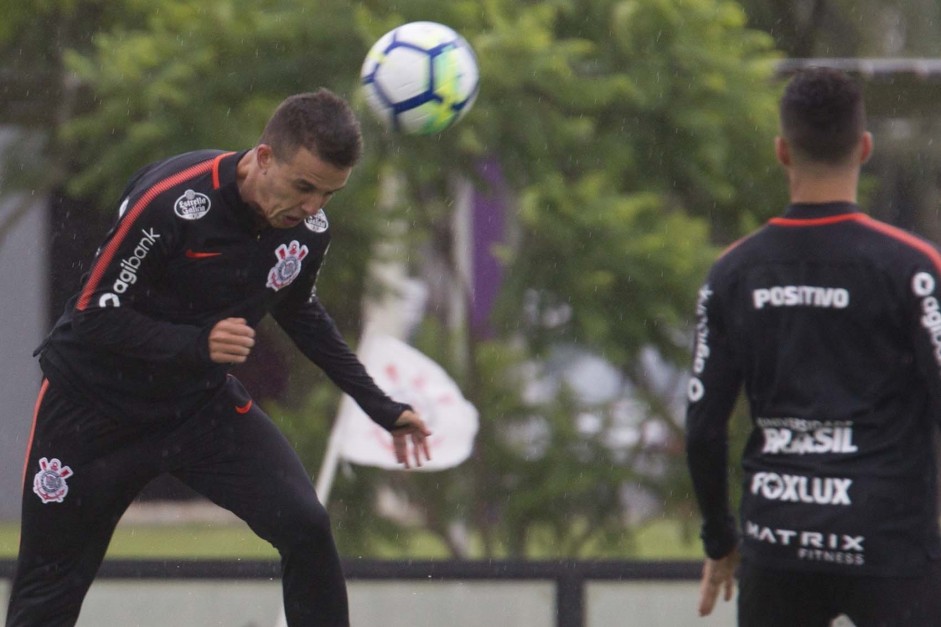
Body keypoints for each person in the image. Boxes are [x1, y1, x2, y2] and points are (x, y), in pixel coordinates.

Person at [7, 88, 432, 627]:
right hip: (91, 413)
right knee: (47, 596)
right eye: (304, 187)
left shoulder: (306, 231)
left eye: (328, 194)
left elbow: (301, 313)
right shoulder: (171, 202)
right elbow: (93, 316)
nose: (312, 208)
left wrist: (381, 406)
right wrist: (196, 343)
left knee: (306, 527)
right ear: (263, 157)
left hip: (195, 410)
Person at [685, 67, 941, 626]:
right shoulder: (913, 269)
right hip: (888, 543)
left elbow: (704, 428)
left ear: (782, 151)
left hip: (779, 543)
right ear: (865, 147)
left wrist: (718, 538)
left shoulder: (734, 273)